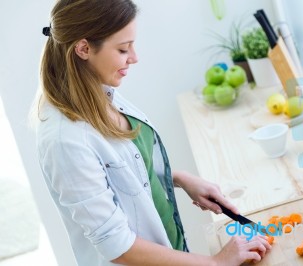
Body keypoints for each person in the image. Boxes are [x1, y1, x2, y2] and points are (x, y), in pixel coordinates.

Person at [36, 0, 270, 265]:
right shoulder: (64, 141)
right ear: (83, 48)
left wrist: (178, 179)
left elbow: (121, 172)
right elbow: (117, 246)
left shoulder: (101, 94)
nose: (134, 58)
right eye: (124, 49)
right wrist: (217, 262)